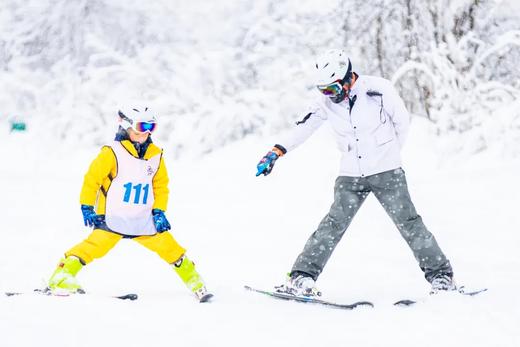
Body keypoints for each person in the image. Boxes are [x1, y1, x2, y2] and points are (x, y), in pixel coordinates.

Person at [256, 49, 455, 297]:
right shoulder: (325, 102)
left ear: (348, 78)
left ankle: (441, 277)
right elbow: (303, 127)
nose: (329, 96)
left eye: (333, 90)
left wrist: (388, 154)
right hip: (351, 173)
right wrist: (276, 151)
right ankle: (301, 277)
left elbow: (402, 123)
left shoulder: (379, 90)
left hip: (387, 171)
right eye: (323, 90)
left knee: (409, 223)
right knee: (332, 225)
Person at [47, 105, 212, 302]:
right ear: (126, 126)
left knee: (170, 247)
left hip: (142, 218)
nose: (147, 132)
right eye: (142, 126)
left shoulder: (156, 155)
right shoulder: (111, 153)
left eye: (152, 127)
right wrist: (87, 206)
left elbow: (161, 186)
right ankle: (61, 276)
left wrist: (159, 211)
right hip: (113, 217)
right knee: (93, 247)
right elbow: (92, 180)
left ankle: (194, 281)